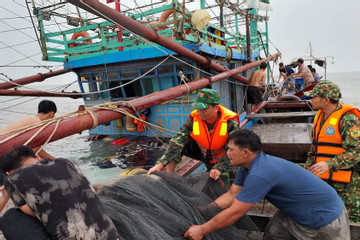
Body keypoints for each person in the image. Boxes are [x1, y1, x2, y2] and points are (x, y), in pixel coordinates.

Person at [184, 129, 350, 240]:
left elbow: (236, 211)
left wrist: (202, 229)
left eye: (230, 149)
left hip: (325, 217)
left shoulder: (260, 173)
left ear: (245, 152)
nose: (227, 154)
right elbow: (231, 195)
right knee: (272, 234)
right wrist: (206, 210)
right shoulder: (246, 165)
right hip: (292, 213)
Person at [0, 145, 119, 240]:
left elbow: (32, 213)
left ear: (9, 172)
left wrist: (6, 194)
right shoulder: (66, 162)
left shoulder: (13, 179)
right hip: (110, 235)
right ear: (37, 157)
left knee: (10, 216)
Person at [147, 88, 239, 186]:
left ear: (216, 108)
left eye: (204, 109)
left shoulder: (230, 122)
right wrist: (161, 163)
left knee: (221, 187)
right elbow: (179, 139)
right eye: (198, 108)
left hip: (223, 157)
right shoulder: (193, 118)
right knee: (178, 145)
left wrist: (219, 167)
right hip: (204, 153)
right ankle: (170, 179)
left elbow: (235, 150)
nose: (200, 112)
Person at [304, 81, 360, 223]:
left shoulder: (348, 119)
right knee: (326, 218)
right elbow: (315, 147)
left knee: (350, 221)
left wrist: (330, 164)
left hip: (347, 185)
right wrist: (308, 166)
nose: (310, 100)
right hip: (323, 180)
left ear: (326, 100)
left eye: (313, 97)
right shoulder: (319, 117)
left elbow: (357, 151)